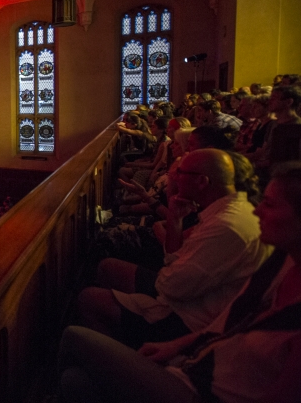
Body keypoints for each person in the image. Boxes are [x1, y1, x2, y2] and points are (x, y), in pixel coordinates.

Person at [58, 161, 301, 403]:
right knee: (74, 381)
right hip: (196, 362)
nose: (258, 210)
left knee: (74, 333)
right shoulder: (281, 262)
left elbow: (171, 286)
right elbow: (226, 324)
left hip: (202, 389)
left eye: (269, 204)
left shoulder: (230, 226)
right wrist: (175, 347)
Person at [78, 149, 272, 348]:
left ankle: (117, 365)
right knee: (107, 267)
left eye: (180, 172)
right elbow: (174, 261)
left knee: (89, 299)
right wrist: (175, 220)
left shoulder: (226, 226)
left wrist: (171, 268)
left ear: (202, 182)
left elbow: (169, 288)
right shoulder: (227, 208)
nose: (174, 177)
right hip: (185, 292)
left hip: (189, 320)